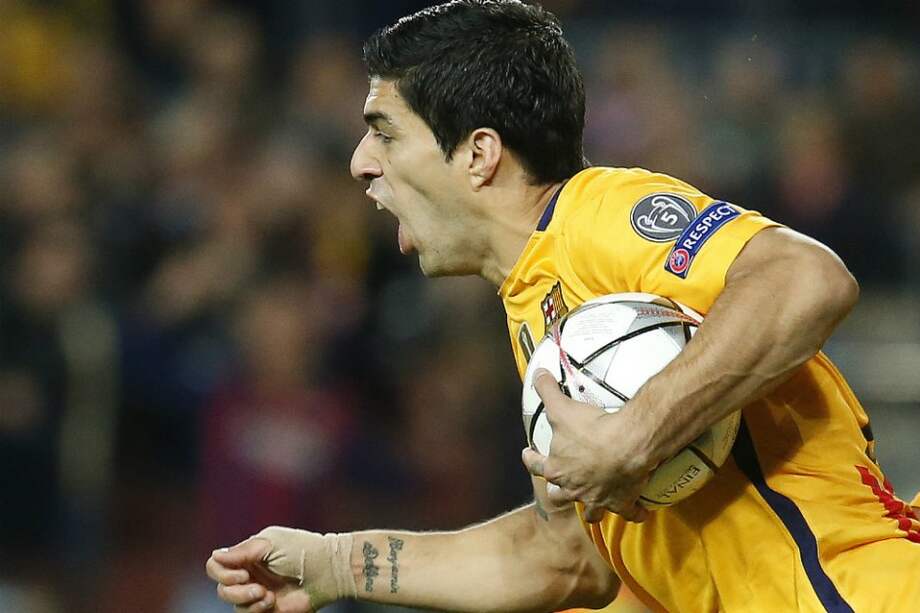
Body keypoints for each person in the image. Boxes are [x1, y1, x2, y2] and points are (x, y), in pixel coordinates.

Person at [206, 1, 920, 611]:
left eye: (386, 131)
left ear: (480, 153)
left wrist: (633, 433)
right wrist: (335, 563)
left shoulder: (597, 216)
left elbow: (806, 277)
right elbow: (569, 559)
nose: (362, 161)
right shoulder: (538, 306)